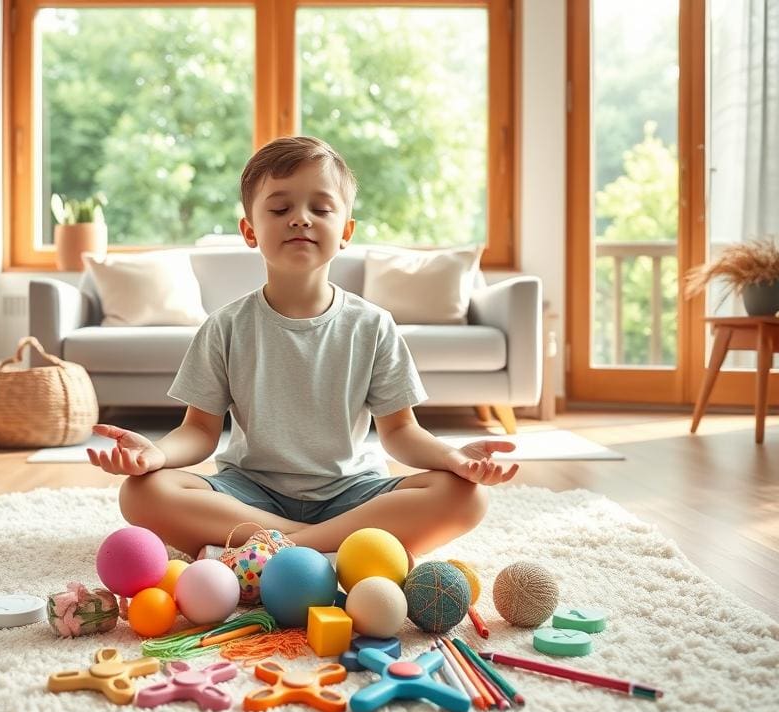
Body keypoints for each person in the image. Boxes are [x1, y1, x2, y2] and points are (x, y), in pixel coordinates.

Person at [87, 135, 518, 561]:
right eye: (280, 208)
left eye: (321, 208)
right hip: (249, 494)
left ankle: (276, 549)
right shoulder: (226, 326)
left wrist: (454, 458)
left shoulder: (373, 325)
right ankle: (331, 546)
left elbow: (401, 432)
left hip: (353, 492)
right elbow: (200, 431)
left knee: (466, 496)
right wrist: (156, 453)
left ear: (346, 230)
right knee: (143, 492)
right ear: (250, 230)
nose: (300, 219)